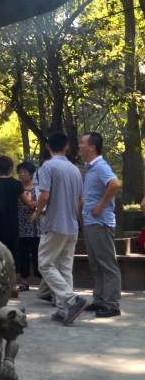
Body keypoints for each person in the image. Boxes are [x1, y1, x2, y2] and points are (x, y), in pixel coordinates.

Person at [31, 131, 86, 326]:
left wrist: (37, 213)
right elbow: (81, 201)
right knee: (65, 267)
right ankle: (64, 310)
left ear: (48, 147)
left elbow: (44, 196)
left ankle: (71, 300)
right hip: (71, 225)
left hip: (55, 223)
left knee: (45, 264)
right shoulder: (74, 170)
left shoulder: (48, 166)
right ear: (67, 147)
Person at [78, 132, 122, 318]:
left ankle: (112, 305)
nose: (79, 145)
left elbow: (115, 184)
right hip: (91, 222)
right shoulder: (90, 168)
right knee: (96, 264)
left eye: (82, 142)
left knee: (107, 263)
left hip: (100, 223)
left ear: (92, 147)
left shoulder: (101, 166)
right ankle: (100, 300)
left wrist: (100, 206)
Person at [0, 156, 23, 272]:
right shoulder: (16, 184)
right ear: (10, 168)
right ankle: (12, 285)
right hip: (12, 226)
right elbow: (28, 203)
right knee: (12, 253)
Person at [15, 160, 40, 291]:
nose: (22, 174)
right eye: (20, 172)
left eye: (25, 171)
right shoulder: (17, 187)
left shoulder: (37, 187)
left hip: (36, 227)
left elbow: (42, 202)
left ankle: (42, 282)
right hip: (21, 226)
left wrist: (31, 203)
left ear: (31, 174)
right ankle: (24, 282)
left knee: (38, 254)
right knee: (22, 255)